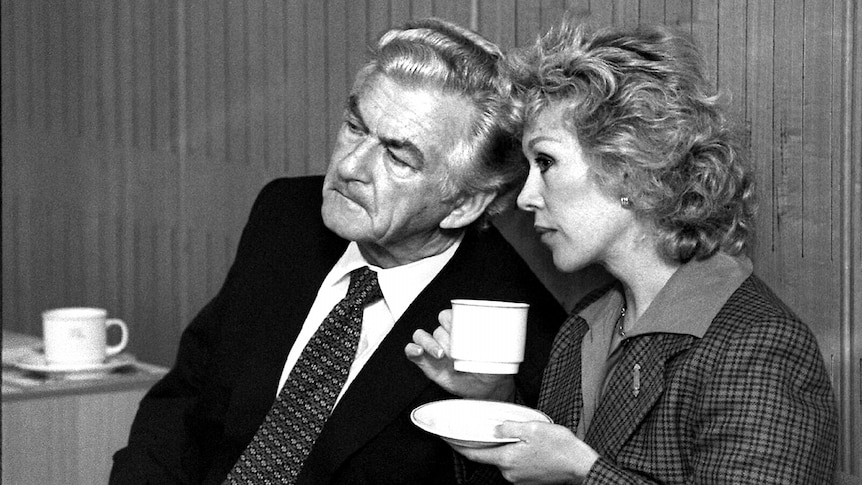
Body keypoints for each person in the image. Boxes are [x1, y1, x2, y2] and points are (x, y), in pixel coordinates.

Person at [110, 18, 566, 485]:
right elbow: (185, 403)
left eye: (397, 157)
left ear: (463, 204)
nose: (349, 166)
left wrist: (490, 402)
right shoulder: (286, 218)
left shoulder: (513, 322)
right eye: (355, 126)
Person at [407, 19, 838, 484]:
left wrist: (583, 473)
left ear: (628, 168)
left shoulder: (760, 347)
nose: (527, 196)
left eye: (546, 162)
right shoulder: (587, 325)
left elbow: (573, 468)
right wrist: (490, 402)